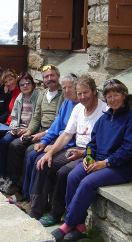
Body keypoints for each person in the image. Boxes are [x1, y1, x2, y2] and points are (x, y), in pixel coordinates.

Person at [51, 79, 132, 242]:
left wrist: (105, 163)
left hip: (120, 167)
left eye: (116, 95)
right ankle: (79, 225)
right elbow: (92, 143)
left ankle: (67, 224)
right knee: (72, 176)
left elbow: (128, 150)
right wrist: (88, 157)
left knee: (87, 183)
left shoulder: (131, 119)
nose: (112, 99)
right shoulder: (104, 118)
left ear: (123, 96)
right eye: (109, 96)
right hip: (97, 161)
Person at [27, 75, 107, 222]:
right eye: (79, 93)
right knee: (43, 162)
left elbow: (104, 143)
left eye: (86, 93)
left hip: (91, 152)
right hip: (76, 148)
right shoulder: (78, 108)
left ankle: (55, 214)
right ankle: (35, 210)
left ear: (94, 91)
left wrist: (83, 153)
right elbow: (66, 134)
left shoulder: (104, 111)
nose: (82, 97)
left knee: (64, 172)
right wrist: (50, 153)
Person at [6, 64, 65, 196]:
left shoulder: (63, 95)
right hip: (39, 130)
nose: (49, 79)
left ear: (58, 76)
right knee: (14, 146)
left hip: (54, 133)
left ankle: (25, 190)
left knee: (29, 151)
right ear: (43, 80)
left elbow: (61, 123)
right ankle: (15, 183)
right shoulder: (43, 94)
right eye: (46, 77)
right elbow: (36, 117)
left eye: (52, 75)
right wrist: (28, 132)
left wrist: (42, 134)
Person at [21, 73, 79, 203]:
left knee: (40, 161)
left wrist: (54, 146)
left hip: (68, 144)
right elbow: (55, 126)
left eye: (70, 87)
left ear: (77, 87)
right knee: (31, 153)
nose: (67, 91)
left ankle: (36, 202)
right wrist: (44, 141)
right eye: (64, 88)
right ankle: (26, 195)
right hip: (57, 139)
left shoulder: (80, 106)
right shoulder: (66, 103)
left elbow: (71, 134)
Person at [0, 72, 39, 185]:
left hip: (30, 130)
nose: (25, 86)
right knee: (2, 142)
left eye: (27, 83)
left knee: (13, 146)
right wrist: (14, 127)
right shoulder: (20, 97)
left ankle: (12, 179)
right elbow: (14, 116)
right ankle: (3, 175)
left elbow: (37, 118)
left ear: (32, 84)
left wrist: (28, 130)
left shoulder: (38, 96)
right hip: (18, 129)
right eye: (22, 84)